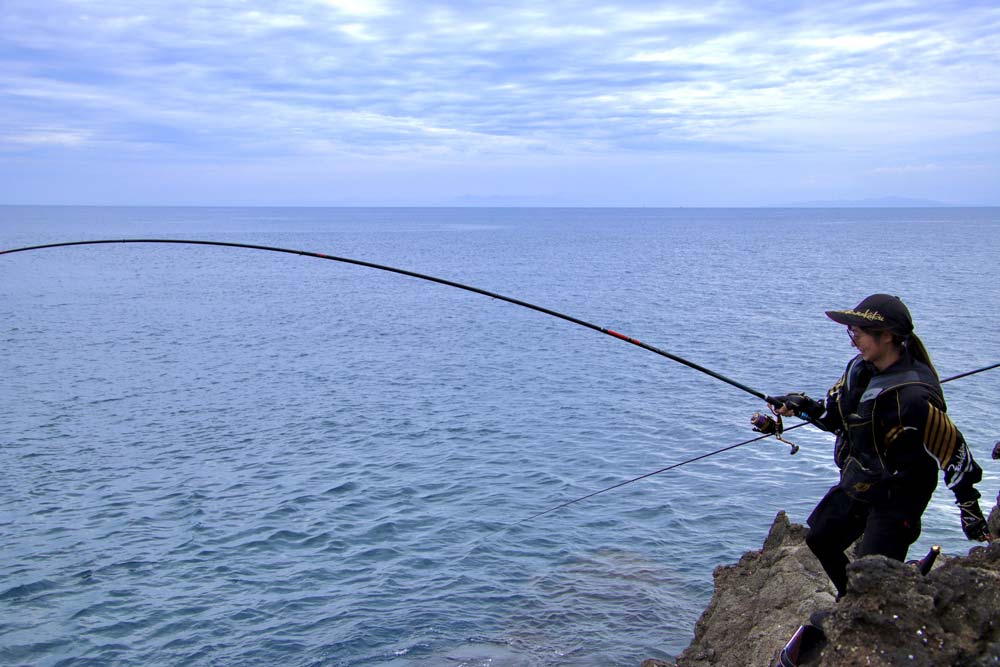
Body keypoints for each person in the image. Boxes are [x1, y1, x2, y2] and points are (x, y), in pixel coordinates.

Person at [771, 293, 990, 598]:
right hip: (864, 480)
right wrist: (802, 406)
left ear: (886, 336)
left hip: (900, 496)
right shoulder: (857, 370)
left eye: (857, 333)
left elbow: (953, 450)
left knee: (872, 577)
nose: (852, 341)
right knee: (821, 539)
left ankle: (870, 602)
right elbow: (835, 418)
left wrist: (969, 508)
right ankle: (852, 602)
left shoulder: (914, 396)